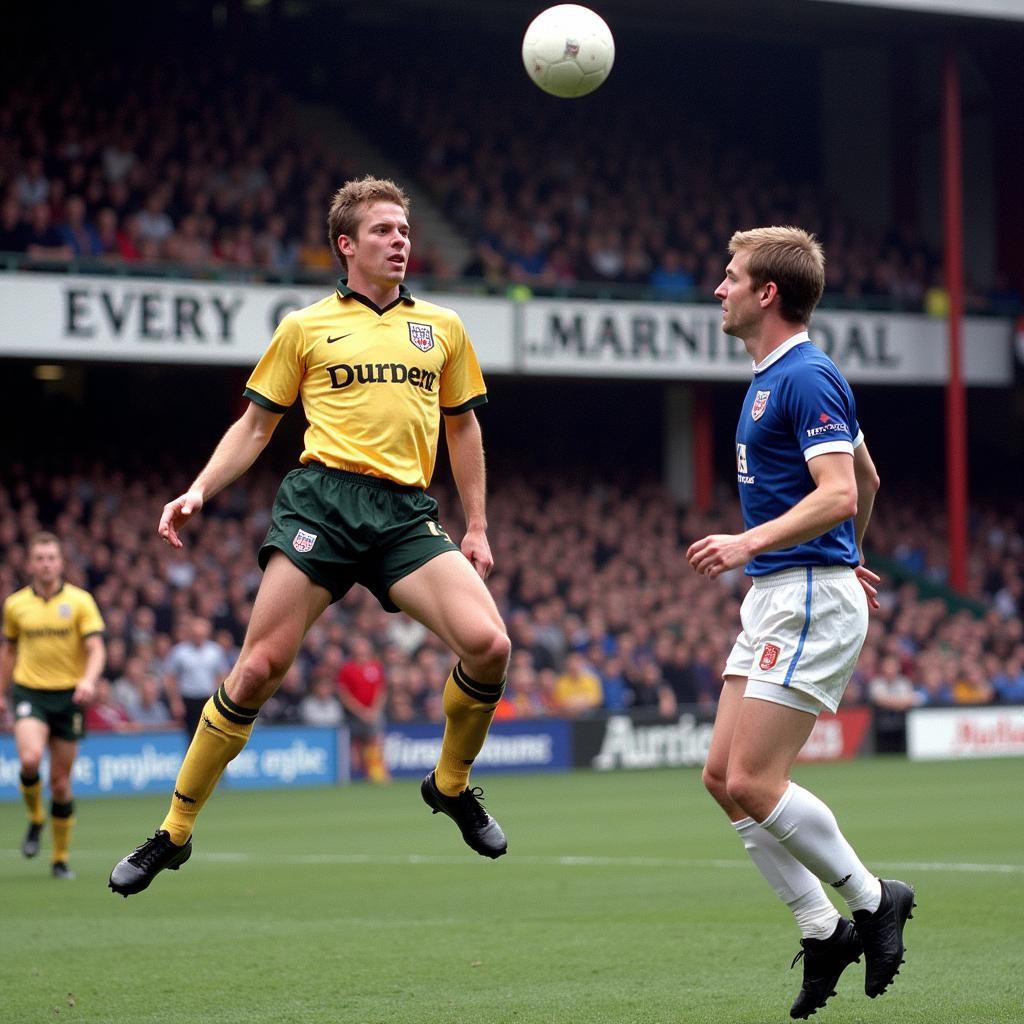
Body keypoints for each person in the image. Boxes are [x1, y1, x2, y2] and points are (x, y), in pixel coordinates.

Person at [109, 176, 511, 896]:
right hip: (321, 505)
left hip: (405, 514)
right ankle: (172, 832)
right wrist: (200, 489)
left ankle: (450, 784)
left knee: (491, 646)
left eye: (406, 231)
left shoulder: (443, 328)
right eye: (385, 231)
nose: (401, 242)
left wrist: (477, 524)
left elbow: (463, 427)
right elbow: (256, 425)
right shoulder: (305, 326)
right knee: (258, 668)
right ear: (346, 245)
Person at [690, 227, 915, 1020]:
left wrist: (766, 541)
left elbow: (842, 490)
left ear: (767, 294)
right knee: (722, 781)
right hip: (790, 587)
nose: (719, 289)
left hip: (803, 591)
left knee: (755, 780)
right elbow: (867, 476)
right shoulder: (771, 378)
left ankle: (872, 897)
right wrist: (842, 550)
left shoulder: (805, 376)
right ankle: (822, 927)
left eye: (730, 276)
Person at [0, 532, 106, 880]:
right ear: (30, 564)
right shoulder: (15, 605)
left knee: (60, 783)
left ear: (61, 563)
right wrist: (2, 693)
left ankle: (60, 859)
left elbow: (96, 649)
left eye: (51, 558)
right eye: (40, 558)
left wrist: (88, 680)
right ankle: (34, 818)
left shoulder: (80, 601)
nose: (46, 563)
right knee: (30, 759)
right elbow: (9, 652)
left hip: (68, 697)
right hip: (30, 692)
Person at [163, 614, 231, 737]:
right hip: (187, 699)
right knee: (190, 735)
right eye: (196, 634)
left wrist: (219, 699)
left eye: (201, 634)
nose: (198, 637)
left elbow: (222, 675)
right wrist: (175, 701)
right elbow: (170, 677)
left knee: (210, 734)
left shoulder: (215, 651)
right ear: (190, 633)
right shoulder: (179, 652)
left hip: (209, 699)